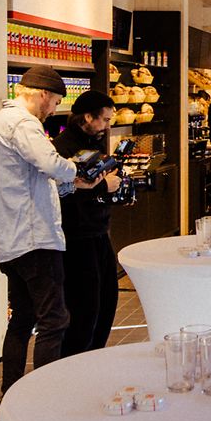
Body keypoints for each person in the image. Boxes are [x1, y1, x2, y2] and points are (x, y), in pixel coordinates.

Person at [0, 67, 110, 391]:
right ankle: (45, 398)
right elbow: (51, 164)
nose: (54, 110)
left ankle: (10, 395)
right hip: (33, 239)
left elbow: (33, 181)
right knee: (55, 320)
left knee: (22, 320)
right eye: (54, 102)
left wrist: (75, 184)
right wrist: (76, 171)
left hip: (11, 239)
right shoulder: (23, 123)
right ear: (42, 95)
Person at [54, 91, 123, 357]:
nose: (107, 126)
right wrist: (103, 186)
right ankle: (75, 362)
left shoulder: (91, 145)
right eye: (104, 120)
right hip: (76, 237)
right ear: (87, 117)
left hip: (98, 232)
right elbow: (64, 194)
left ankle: (94, 357)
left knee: (107, 299)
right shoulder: (62, 149)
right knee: (85, 306)